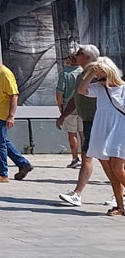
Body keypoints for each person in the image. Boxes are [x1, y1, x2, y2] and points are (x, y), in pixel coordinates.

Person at [76, 56, 125, 216]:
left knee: (118, 168)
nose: (100, 79)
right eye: (98, 77)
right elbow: (81, 90)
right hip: (102, 130)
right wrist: (91, 74)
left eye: (102, 76)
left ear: (110, 72)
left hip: (119, 130)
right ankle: (120, 205)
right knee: (111, 172)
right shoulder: (99, 88)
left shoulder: (123, 88)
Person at [57, 44, 102, 207]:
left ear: (88, 57)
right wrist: (63, 115)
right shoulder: (81, 75)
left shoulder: (99, 74)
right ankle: (77, 194)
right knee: (90, 157)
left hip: (101, 122)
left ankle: (78, 194)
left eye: (80, 53)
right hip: (88, 121)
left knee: (107, 160)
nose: (76, 55)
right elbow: (74, 100)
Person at [0, 47, 33, 183]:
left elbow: (14, 95)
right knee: (3, 141)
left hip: (2, 113)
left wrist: (11, 115)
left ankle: (2, 173)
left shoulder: (5, 74)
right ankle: (23, 164)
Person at [56, 52, 84, 168]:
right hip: (83, 107)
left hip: (69, 107)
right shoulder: (84, 72)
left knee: (72, 133)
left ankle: (75, 157)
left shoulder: (65, 73)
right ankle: (86, 158)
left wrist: (60, 107)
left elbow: (59, 93)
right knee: (83, 134)